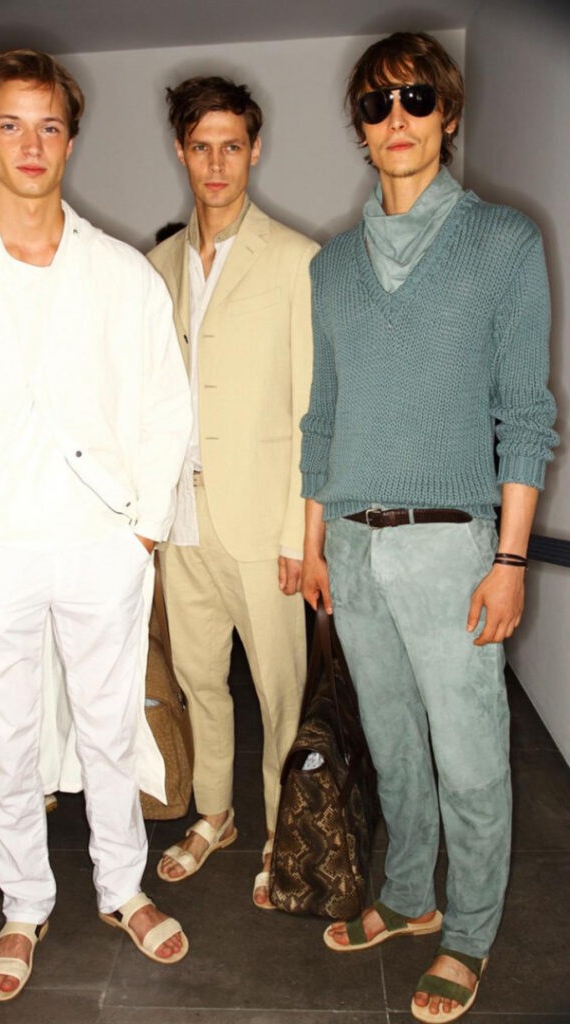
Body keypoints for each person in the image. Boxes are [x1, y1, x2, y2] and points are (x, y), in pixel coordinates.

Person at [0, 48, 192, 1001]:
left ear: (70, 138)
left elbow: (166, 408)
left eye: (49, 125)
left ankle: (122, 887)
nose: (31, 144)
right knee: (7, 740)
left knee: (110, 727)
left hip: (102, 545)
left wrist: (141, 532)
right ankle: (24, 904)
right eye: (11, 125)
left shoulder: (119, 274)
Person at [300, 32, 557, 1024]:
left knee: (472, 754)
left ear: (446, 114)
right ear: (360, 129)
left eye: (415, 97)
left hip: (453, 546)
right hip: (353, 543)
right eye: (376, 104)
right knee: (394, 746)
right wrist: (316, 545)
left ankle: (470, 931)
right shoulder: (331, 267)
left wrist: (509, 559)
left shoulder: (503, 241)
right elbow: (323, 417)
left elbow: (525, 415)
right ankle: (409, 896)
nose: (396, 118)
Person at [148, 76, 318, 906]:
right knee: (199, 682)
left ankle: (283, 828)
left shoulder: (295, 259)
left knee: (280, 693)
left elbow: (313, 406)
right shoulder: (154, 267)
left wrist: (297, 533)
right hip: (179, 515)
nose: (216, 164)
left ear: (254, 151)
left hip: (262, 521)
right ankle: (214, 814)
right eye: (200, 146)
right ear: (180, 152)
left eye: (231, 146)